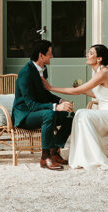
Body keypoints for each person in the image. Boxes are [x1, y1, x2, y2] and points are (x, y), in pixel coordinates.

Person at [43, 44, 108, 170]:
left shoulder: (104, 73)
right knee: (80, 114)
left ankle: (93, 158)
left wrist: (51, 88)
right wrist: (82, 91)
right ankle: (84, 157)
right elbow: (97, 94)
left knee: (82, 113)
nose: (87, 55)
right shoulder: (97, 72)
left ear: (99, 58)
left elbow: (76, 91)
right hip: (106, 112)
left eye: (90, 53)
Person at [12, 39, 74, 171]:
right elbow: (30, 105)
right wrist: (55, 107)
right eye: (50, 53)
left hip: (38, 112)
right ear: (41, 55)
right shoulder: (25, 73)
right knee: (49, 114)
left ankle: (54, 151)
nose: (52, 56)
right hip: (25, 115)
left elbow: (44, 95)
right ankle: (45, 158)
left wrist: (61, 101)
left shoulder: (42, 70)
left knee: (69, 114)